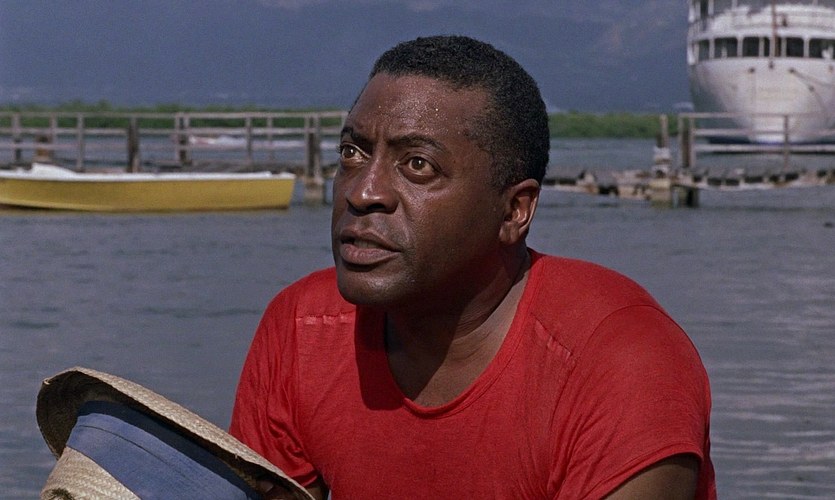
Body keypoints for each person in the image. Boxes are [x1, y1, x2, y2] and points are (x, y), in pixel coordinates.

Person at [230, 35, 716, 499]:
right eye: (352, 153)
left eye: (418, 165)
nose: (362, 192)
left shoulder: (619, 359)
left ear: (514, 211)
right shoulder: (302, 330)